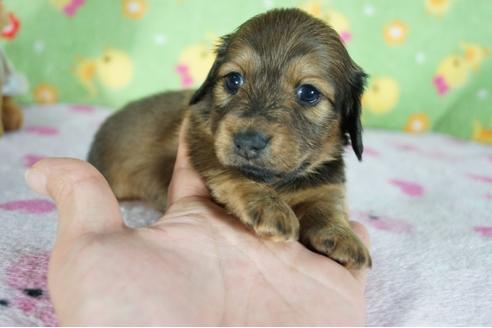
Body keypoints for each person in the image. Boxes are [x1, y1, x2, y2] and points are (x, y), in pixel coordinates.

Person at [25, 120, 371, 326]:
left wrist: (327, 219)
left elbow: (324, 197)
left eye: (308, 94)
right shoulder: (198, 132)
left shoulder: (324, 163)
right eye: (234, 81)